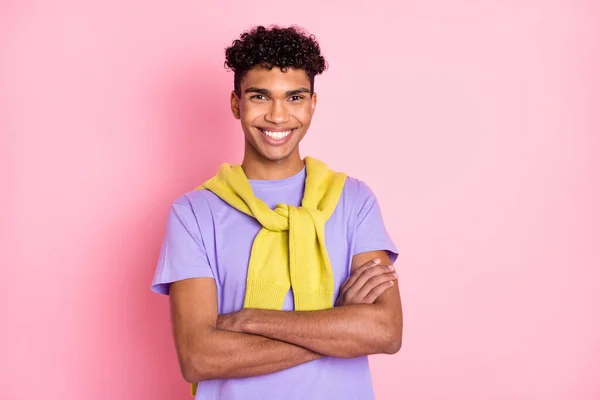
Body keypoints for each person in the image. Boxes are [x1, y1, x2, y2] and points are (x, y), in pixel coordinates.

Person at [151, 25, 403, 400]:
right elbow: (199, 357)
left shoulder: (353, 201)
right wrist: (339, 325)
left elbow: (385, 331)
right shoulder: (193, 213)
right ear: (236, 103)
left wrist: (249, 320)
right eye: (260, 96)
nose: (278, 115)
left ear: (312, 104)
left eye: (295, 96)